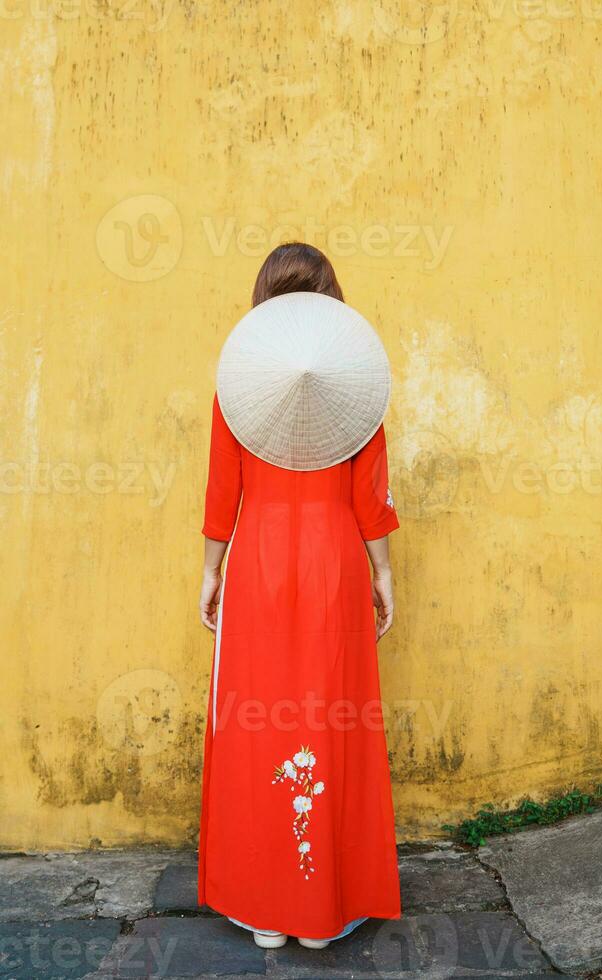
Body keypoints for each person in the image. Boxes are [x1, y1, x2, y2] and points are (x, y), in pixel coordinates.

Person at [197, 243, 401, 949]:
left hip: (259, 563)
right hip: (334, 562)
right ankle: (323, 910)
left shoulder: (238, 381)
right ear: (330, 298)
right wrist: (383, 574)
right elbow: (370, 496)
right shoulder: (357, 384)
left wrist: (211, 571)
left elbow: (224, 490)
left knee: (257, 724)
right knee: (330, 718)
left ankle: (265, 911)